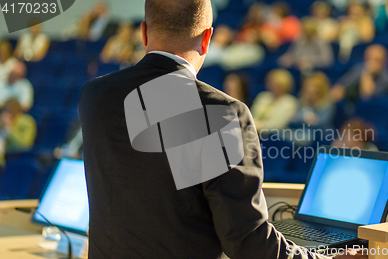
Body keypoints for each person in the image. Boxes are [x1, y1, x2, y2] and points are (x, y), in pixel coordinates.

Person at [79, 1, 366, 258]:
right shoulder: (219, 111)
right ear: (206, 39)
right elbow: (246, 243)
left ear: (143, 33)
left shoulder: (95, 96)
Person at [289, 72, 335, 145]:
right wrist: (306, 120)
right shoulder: (302, 101)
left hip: (318, 136)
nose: (310, 89)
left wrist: (302, 119)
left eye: (313, 87)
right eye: (308, 86)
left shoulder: (327, 104)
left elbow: (321, 123)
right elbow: (292, 121)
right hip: (299, 132)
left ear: (320, 89)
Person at [0, 99, 36, 165]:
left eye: (10, 111)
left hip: (5, 156)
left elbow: (22, 146)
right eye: (5, 110)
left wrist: (8, 127)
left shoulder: (26, 122)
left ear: (18, 111)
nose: (6, 114)